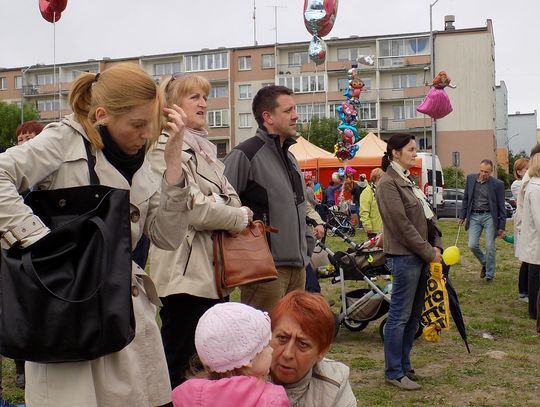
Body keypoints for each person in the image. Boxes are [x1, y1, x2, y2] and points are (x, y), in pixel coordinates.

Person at [0, 63, 191, 406]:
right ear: (102, 115)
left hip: (126, 316)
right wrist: (41, 242)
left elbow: (167, 237)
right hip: (68, 310)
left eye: (151, 125)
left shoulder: (145, 155)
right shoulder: (64, 139)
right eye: (137, 125)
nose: (146, 134)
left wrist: (174, 169)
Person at [147, 73, 252, 388]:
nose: (204, 103)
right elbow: (193, 209)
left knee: (209, 363)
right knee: (180, 363)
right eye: (194, 97)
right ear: (172, 104)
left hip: (214, 273)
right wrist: (233, 216)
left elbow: (232, 198)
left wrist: (218, 205)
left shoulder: (205, 151)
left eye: (205, 96)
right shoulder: (164, 147)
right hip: (184, 277)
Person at [223, 85, 324, 313]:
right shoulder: (244, 155)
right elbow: (222, 207)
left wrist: (307, 244)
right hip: (265, 272)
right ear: (268, 117)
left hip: (299, 268)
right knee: (263, 333)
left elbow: (300, 207)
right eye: (288, 111)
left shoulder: (291, 158)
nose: (296, 116)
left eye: (295, 109)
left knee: (290, 332)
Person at [376, 133, 443, 391]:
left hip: (421, 256)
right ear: (395, 153)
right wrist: (429, 252)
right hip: (405, 257)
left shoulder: (408, 180)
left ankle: (404, 366)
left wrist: (436, 245)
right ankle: (393, 371)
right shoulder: (388, 183)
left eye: (415, 149)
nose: (415, 153)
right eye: (411, 149)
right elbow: (402, 226)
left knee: (414, 317)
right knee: (399, 316)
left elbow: (428, 217)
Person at [172, 302, 290, 407]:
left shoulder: (186, 396)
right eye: (266, 345)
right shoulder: (272, 399)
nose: (271, 350)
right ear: (248, 360)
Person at [269, 290, 357, 406]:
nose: (287, 354)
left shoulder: (334, 384)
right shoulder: (246, 373)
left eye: (303, 344)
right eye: (282, 338)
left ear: (322, 352)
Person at [459, 159, 506, 282]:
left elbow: (502, 206)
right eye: (482, 171)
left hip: (489, 216)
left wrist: (501, 227)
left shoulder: (498, 184)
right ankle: (485, 262)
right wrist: (462, 216)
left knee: (490, 246)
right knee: (472, 245)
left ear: (491, 172)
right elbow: (466, 198)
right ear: (479, 169)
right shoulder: (470, 179)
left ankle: (489, 275)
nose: (483, 174)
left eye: (486, 172)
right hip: (474, 216)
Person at [517, 153, 540, 331]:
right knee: (535, 278)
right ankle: (534, 311)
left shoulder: (532, 184)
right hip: (536, 240)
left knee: (534, 275)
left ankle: (534, 309)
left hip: (534, 240)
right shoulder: (536, 188)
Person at [511, 157, 530, 301]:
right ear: (519, 172)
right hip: (523, 224)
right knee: (527, 259)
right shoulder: (518, 184)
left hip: (527, 223)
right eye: (526, 169)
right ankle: (523, 290)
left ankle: (527, 289)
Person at [359, 168, 384, 239]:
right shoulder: (367, 192)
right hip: (374, 229)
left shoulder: (385, 190)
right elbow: (364, 211)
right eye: (381, 178)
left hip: (386, 228)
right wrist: (367, 226)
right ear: (375, 179)